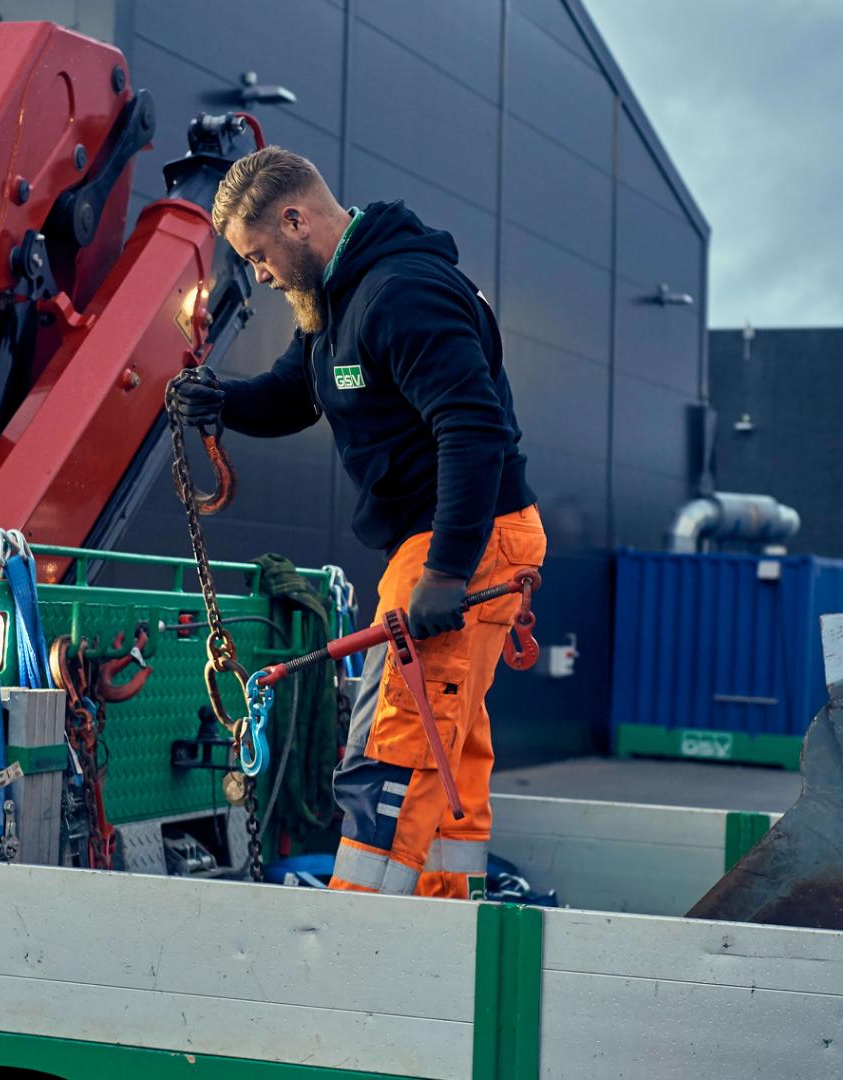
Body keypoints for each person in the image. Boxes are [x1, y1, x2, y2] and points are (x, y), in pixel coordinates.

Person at [171, 146, 545, 899]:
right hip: (442, 542)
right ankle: (443, 919)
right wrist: (225, 403)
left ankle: (355, 944)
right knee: (445, 749)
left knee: (394, 750)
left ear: (295, 218)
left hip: (459, 543)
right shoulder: (336, 298)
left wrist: (445, 570)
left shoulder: (400, 292)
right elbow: (296, 391)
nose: (263, 275)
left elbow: (473, 430)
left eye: (260, 255)